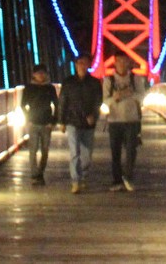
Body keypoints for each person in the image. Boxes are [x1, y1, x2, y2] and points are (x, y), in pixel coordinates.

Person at [58, 56, 102, 193]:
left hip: (88, 123)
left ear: (89, 65)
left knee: (87, 155)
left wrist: (94, 116)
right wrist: (61, 121)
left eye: (85, 63)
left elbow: (98, 102)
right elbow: (62, 102)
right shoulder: (68, 82)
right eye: (80, 63)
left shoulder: (95, 82)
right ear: (76, 65)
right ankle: (75, 181)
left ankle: (83, 176)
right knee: (74, 152)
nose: (82, 66)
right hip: (72, 121)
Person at [102, 55, 143, 191]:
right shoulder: (108, 80)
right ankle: (117, 181)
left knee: (132, 151)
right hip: (114, 121)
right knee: (115, 153)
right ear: (115, 63)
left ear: (129, 63)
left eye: (125, 61)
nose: (122, 64)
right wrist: (115, 98)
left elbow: (142, 96)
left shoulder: (136, 79)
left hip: (132, 120)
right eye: (119, 61)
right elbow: (105, 100)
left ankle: (128, 177)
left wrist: (128, 94)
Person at [20, 64, 59, 185]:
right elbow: (23, 105)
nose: (41, 75)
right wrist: (28, 119)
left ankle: (40, 173)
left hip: (46, 123)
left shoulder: (50, 88)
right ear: (34, 74)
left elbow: (57, 105)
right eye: (38, 73)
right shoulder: (29, 88)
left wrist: (53, 121)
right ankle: (34, 175)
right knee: (33, 150)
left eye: (43, 73)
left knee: (45, 150)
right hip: (33, 123)